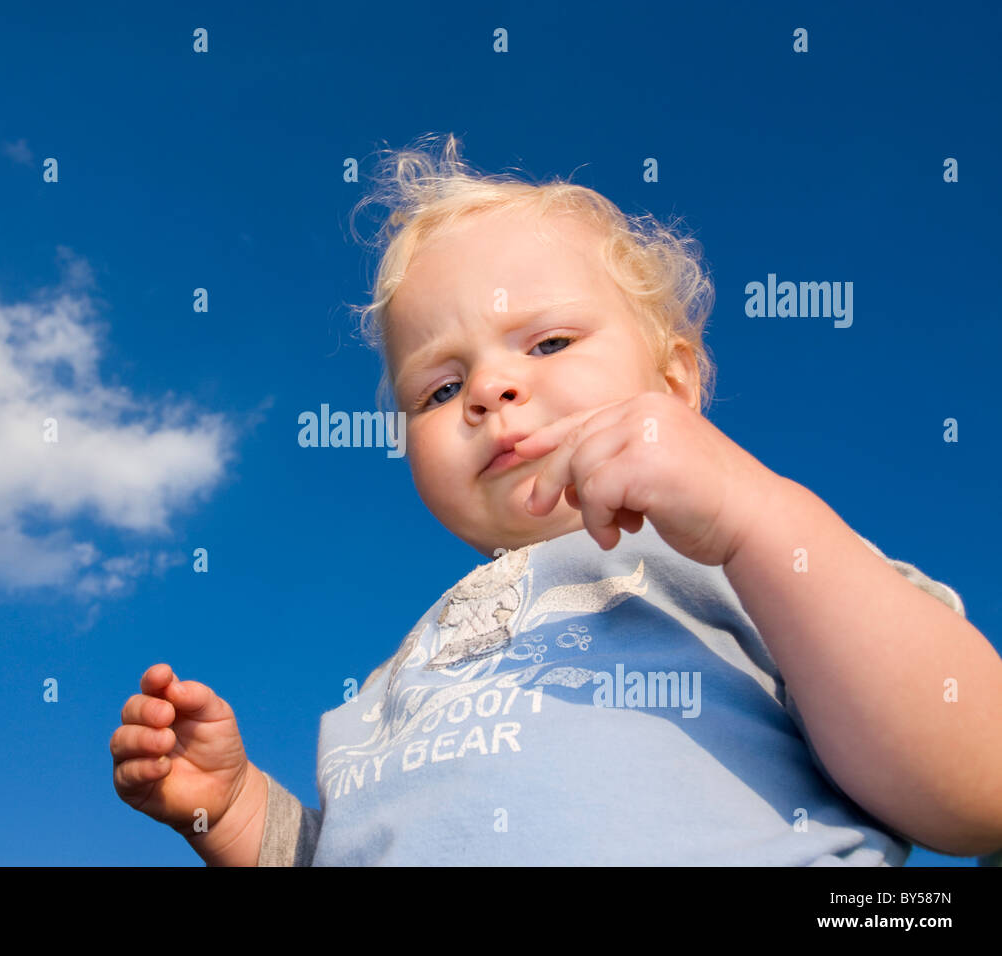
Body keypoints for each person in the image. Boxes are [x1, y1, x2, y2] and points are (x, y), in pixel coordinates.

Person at [110, 133, 1002, 865]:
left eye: (547, 342)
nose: (490, 390)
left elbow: (979, 784)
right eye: (436, 388)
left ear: (675, 382)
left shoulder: (760, 563)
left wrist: (759, 517)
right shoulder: (393, 683)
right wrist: (228, 814)